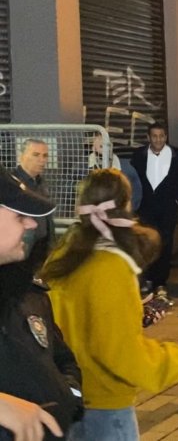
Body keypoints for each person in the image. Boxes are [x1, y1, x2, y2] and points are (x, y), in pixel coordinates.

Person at [41, 170, 178, 441]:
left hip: (65, 400)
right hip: (105, 407)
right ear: (126, 205)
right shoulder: (112, 267)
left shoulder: (62, 258)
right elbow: (121, 352)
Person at [0, 168, 81, 441]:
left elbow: (61, 357)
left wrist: (69, 396)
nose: (32, 224)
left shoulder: (26, 291)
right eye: (19, 216)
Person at [131, 123, 178, 301]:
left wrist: (177, 201)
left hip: (167, 208)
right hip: (146, 208)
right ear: (148, 137)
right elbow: (134, 179)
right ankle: (147, 278)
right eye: (154, 136)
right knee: (146, 243)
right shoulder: (139, 155)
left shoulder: (176, 155)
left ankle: (161, 282)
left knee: (165, 243)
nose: (158, 140)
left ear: (166, 137)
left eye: (161, 136)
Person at [12, 139, 54, 267]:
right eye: (36, 155)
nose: (42, 160)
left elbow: (48, 218)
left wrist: (51, 243)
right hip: (20, 249)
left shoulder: (41, 183)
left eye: (45, 156)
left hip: (40, 248)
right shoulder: (11, 184)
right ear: (21, 156)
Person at [87, 134, 142, 213]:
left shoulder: (127, 169)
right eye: (101, 146)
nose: (104, 150)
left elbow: (136, 194)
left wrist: (124, 213)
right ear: (93, 148)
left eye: (107, 146)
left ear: (111, 147)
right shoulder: (81, 167)